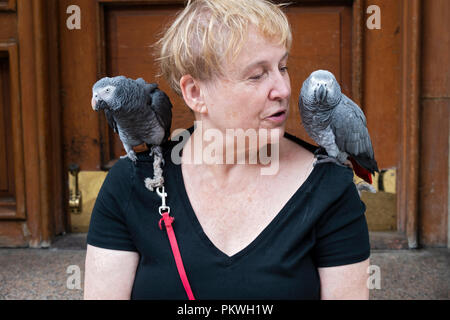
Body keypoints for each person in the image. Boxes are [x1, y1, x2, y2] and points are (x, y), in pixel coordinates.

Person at [84, 0, 370, 300]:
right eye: (257, 75)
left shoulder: (330, 187)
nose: (284, 89)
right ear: (195, 93)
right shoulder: (132, 184)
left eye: (282, 67)